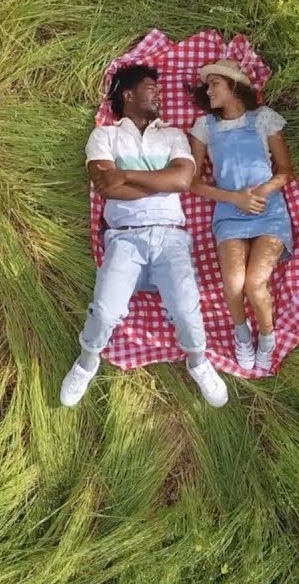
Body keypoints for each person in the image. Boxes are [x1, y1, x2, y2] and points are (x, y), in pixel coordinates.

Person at [59, 64, 229, 407]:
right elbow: (107, 188)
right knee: (105, 311)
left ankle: (198, 361)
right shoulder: (104, 136)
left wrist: (126, 175)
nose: (159, 95)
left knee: (187, 311)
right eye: (151, 88)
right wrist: (160, 183)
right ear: (128, 94)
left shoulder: (173, 135)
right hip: (125, 239)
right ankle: (87, 362)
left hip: (170, 238)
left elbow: (182, 181)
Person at [188, 58, 295, 375]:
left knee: (255, 283)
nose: (209, 91)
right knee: (233, 285)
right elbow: (193, 182)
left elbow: (285, 171)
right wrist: (235, 198)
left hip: (268, 210)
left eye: (215, 84)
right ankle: (242, 335)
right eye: (207, 86)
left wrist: (261, 192)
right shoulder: (204, 127)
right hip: (229, 211)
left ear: (234, 86)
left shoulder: (263, 119)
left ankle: (267, 339)